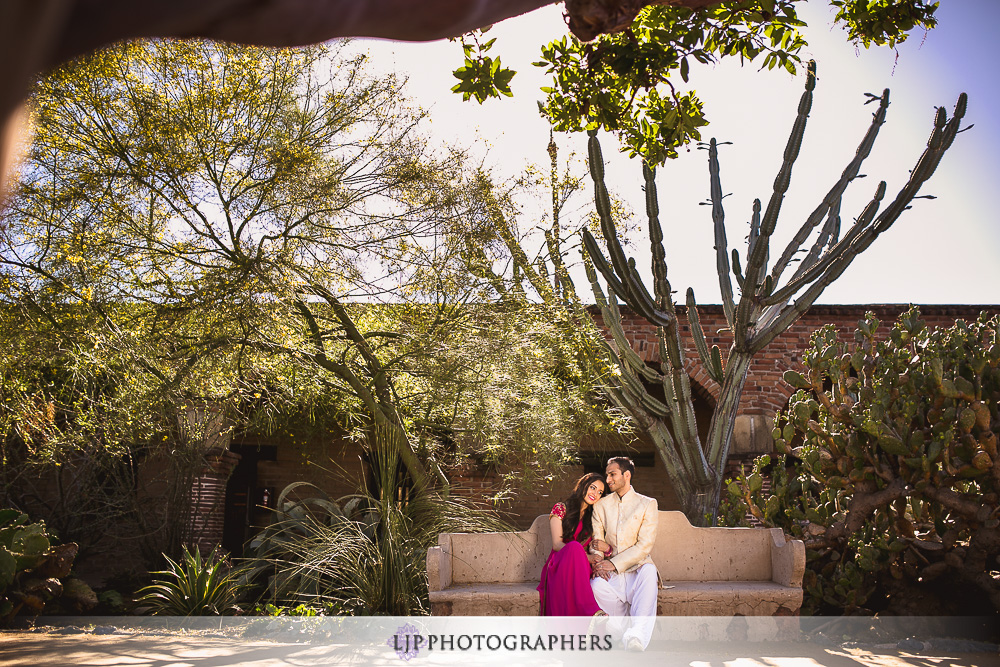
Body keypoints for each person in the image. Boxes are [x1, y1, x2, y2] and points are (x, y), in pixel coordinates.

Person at [590, 456, 659, 651]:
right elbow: (597, 542)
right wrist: (597, 562)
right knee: (595, 585)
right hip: (611, 573)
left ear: (626, 475)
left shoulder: (647, 504)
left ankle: (636, 636)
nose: (608, 480)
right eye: (607, 475)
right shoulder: (600, 506)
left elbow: (644, 546)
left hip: (638, 569)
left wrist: (614, 563)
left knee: (650, 572)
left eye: (612, 474)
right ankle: (618, 631)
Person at [537, 472, 611, 616]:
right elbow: (557, 544)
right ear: (583, 486)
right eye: (593, 487)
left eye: (600, 492)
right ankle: (591, 612)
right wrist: (586, 557)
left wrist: (598, 560)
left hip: (581, 567)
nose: (595, 494)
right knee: (575, 546)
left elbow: (596, 547)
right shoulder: (561, 508)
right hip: (559, 563)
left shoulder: (593, 518)